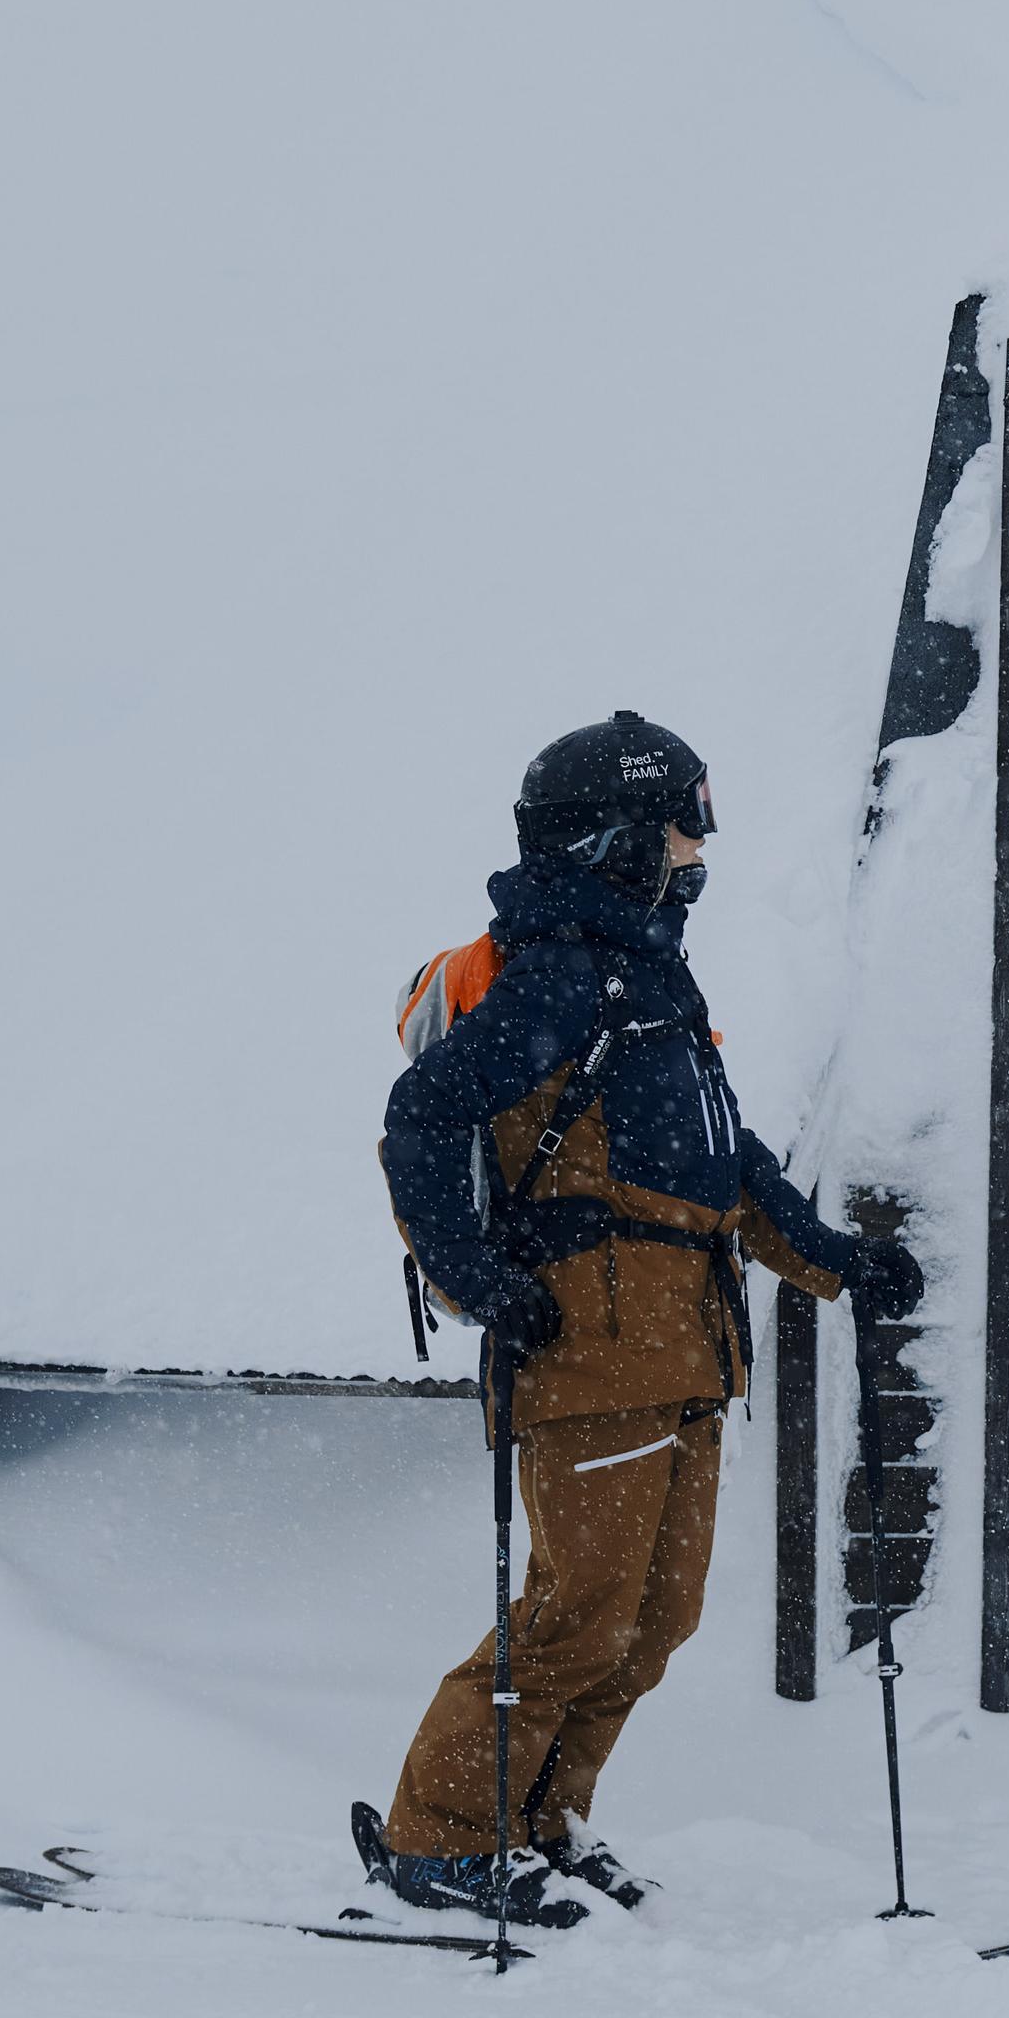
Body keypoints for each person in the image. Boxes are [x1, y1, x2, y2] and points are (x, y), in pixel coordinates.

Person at [357, 711, 923, 1920]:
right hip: (587, 1347)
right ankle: (443, 1837)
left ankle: (541, 1821)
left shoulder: (651, 976)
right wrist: (475, 1276)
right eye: (682, 824)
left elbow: (726, 1165)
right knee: (579, 1611)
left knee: (654, 1622)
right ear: (612, 835)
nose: (699, 848)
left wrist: (834, 1263)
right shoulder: (559, 972)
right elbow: (423, 1117)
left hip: (687, 1347)